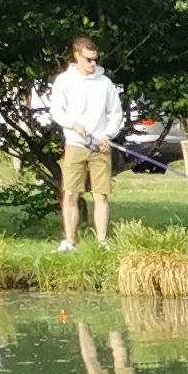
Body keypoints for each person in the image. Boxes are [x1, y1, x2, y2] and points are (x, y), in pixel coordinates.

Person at [49, 35, 127, 251]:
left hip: (100, 147)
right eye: (88, 59)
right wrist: (72, 124)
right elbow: (56, 110)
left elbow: (116, 114)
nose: (93, 64)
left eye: (95, 60)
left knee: (100, 195)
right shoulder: (64, 81)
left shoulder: (105, 84)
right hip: (75, 145)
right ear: (77, 56)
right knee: (70, 194)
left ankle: (102, 242)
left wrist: (108, 135)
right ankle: (69, 242)